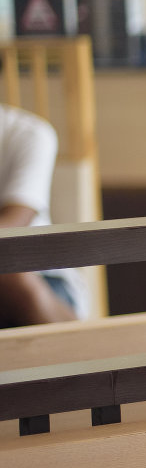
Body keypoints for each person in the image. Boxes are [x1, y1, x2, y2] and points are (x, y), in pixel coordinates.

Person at [0, 104, 85, 327]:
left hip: (40, 278)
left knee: (7, 274)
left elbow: (16, 225)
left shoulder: (29, 133)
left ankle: (91, 351)